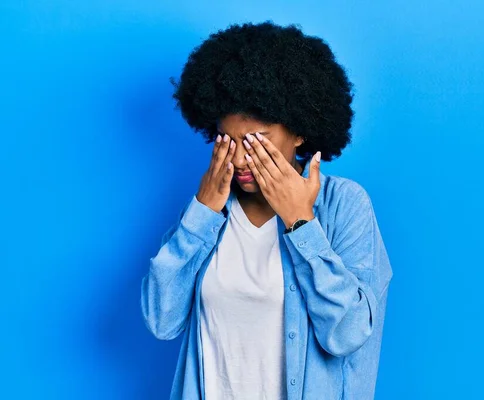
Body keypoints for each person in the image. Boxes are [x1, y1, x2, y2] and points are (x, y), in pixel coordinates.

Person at [141, 20, 394, 400]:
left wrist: (301, 224)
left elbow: (347, 334)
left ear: (300, 131)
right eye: (228, 139)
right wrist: (200, 215)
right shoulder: (207, 211)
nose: (241, 158)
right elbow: (162, 320)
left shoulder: (344, 205)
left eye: (257, 141)